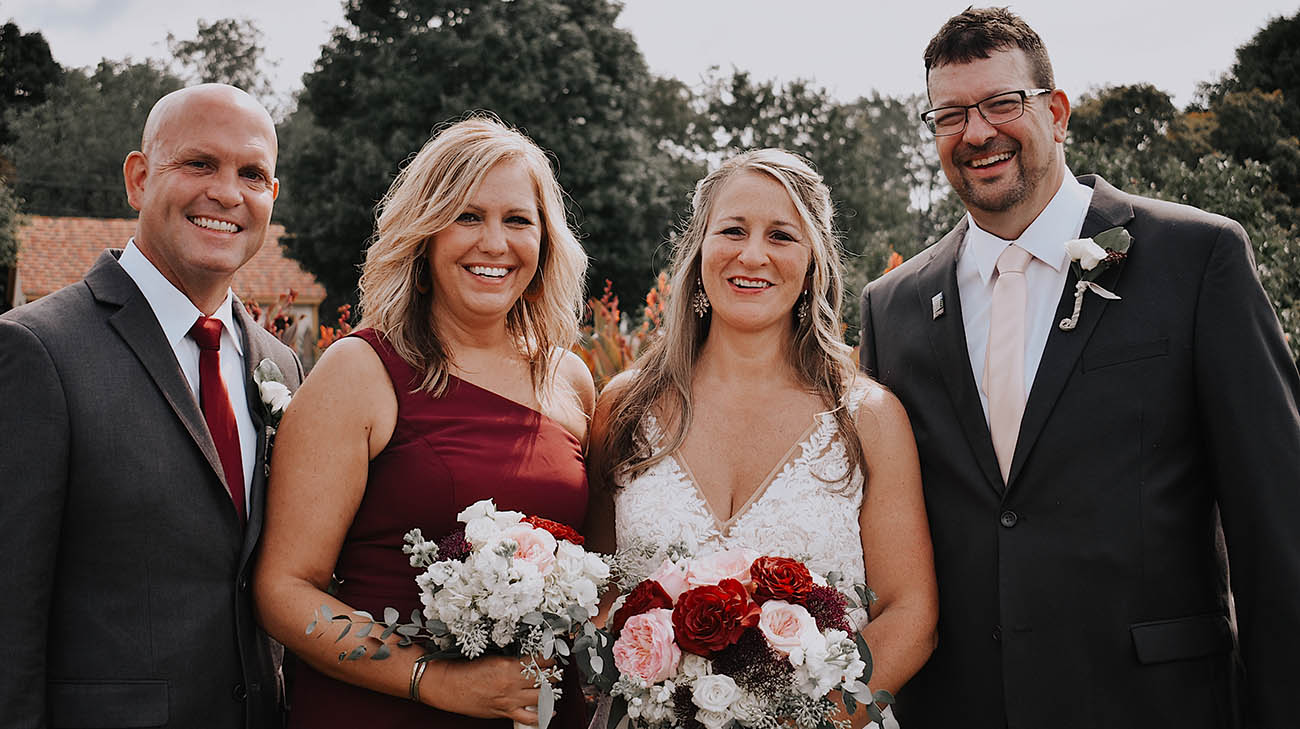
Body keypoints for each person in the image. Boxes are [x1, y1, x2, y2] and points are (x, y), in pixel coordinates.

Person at [858, 8, 1300, 729]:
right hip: (960, 707)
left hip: (1156, 705)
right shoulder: (893, 306)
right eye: (950, 114)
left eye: (1003, 103)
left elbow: (1278, 529)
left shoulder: (1198, 259)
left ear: (1056, 112)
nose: (977, 132)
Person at [253, 116, 594, 728]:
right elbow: (284, 592)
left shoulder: (569, 379)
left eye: (518, 220)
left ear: (546, 241)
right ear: (427, 233)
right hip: (383, 710)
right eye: (468, 217)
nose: (495, 243)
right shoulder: (360, 370)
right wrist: (433, 681)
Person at [588, 149, 938, 726]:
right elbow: (603, 591)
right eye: (732, 230)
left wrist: (808, 718)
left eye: (781, 235)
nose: (753, 255)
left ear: (812, 263)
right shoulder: (625, 408)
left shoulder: (867, 416)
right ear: (699, 247)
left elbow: (910, 613)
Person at [0, 84, 301, 728]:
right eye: (199, 164)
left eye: (252, 175)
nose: (227, 192)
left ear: (271, 197)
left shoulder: (282, 365)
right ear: (138, 179)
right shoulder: (36, 352)